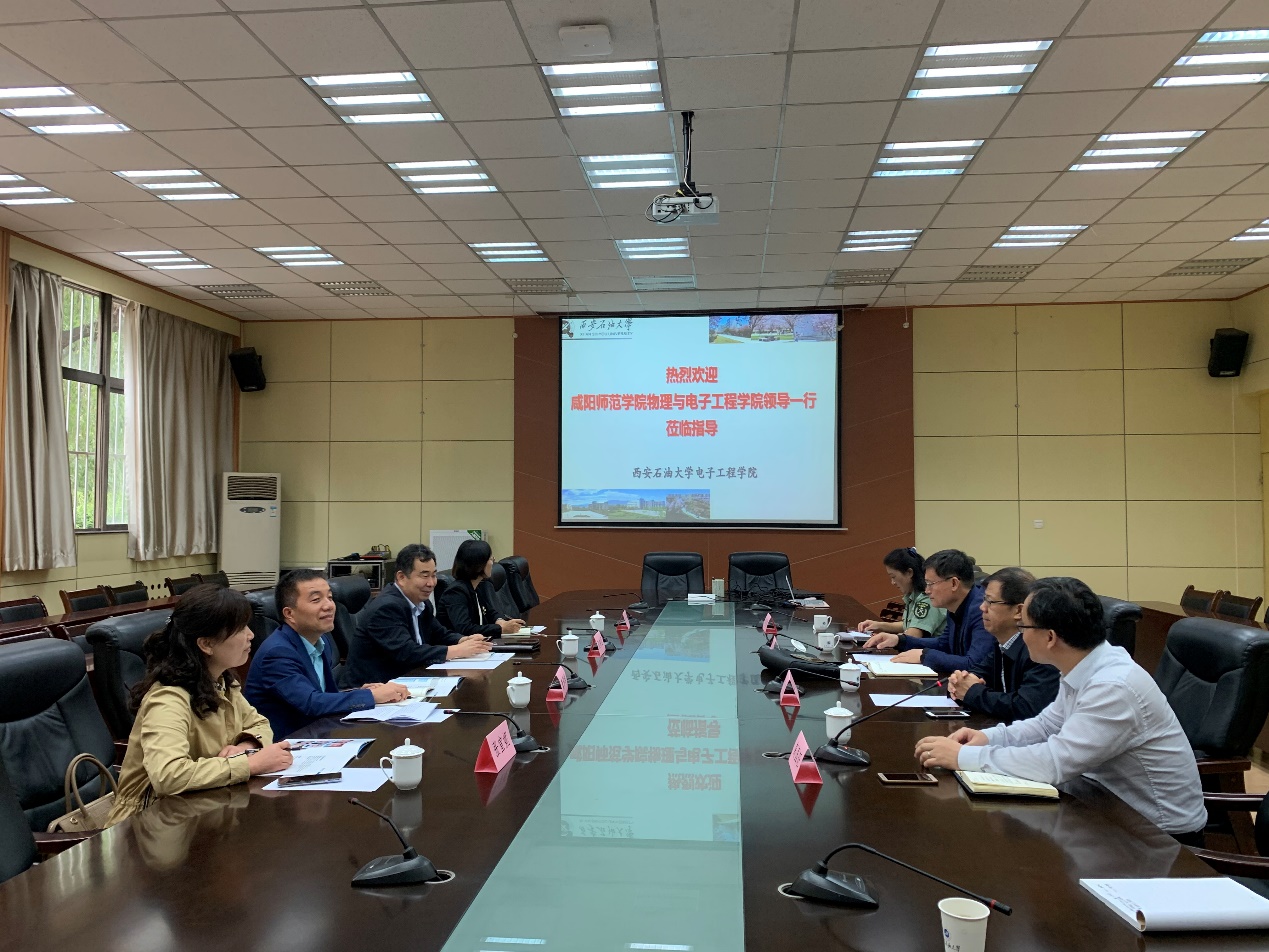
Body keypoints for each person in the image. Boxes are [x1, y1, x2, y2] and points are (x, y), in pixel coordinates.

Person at [915, 577, 1207, 839]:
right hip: (1101, 804)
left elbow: (1054, 763)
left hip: (1157, 835)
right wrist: (990, 738)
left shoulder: (1113, 686)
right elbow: (1047, 726)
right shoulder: (1083, 663)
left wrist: (965, 757)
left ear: (1050, 637)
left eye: (1023, 626)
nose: (1020, 635)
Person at [106, 585, 294, 826]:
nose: (251, 635)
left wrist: (246, 746)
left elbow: (259, 723)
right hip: (148, 823)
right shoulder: (168, 699)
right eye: (240, 629)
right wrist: (250, 764)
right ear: (206, 644)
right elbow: (168, 776)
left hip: (200, 809)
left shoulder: (222, 681)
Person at [244, 569, 409, 739]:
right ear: (289, 614)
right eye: (316, 600)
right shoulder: (277, 653)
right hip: (287, 743)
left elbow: (323, 695)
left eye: (330, 597)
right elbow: (311, 703)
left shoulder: (321, 641)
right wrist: (371, 696)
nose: (329, 605)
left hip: (318, 734)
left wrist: (357, 691)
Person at [345, 543, 490, 684]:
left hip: (410, 680)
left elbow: (439, 633)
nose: (431, 583)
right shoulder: (386, 608)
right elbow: (407, 653)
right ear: (401, 577)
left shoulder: (422, 603)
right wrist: (457, 650)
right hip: (372, 689)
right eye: (424, 576)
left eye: (433, 575)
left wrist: (462, 640)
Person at [948, 567, 1058, 724]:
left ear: (1019, 611)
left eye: (990, 601)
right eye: (983, 600)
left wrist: (972, 692)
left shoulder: (1039, 650)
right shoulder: (1003, 643)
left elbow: (1026, 708)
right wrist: (959, 682)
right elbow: (977, 672)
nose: (982, 607)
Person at [863, 548, 995, 675]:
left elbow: (974, 665)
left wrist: (924, 655)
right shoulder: (955, 605)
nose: (927, 590)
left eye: (930, 584)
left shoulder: (982, 611)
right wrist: (899, 640)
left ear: (954, 583)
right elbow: (943, 644)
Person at [437, 539, 527, 638]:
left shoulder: (477, 586)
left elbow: (489, 611)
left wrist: (500, 621)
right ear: (479, 564)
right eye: (490, 559)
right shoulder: (456, 592)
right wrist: (500, 629)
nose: (492, 562)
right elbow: (465, 629)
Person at [856, 547, 947, 642]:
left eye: (893, 577)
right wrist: (878, 625)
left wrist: (886, 638)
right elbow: (908, 625)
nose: (893, 582)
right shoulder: (913, 595)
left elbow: (914, 635)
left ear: (909, 573)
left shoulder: (927, 599)